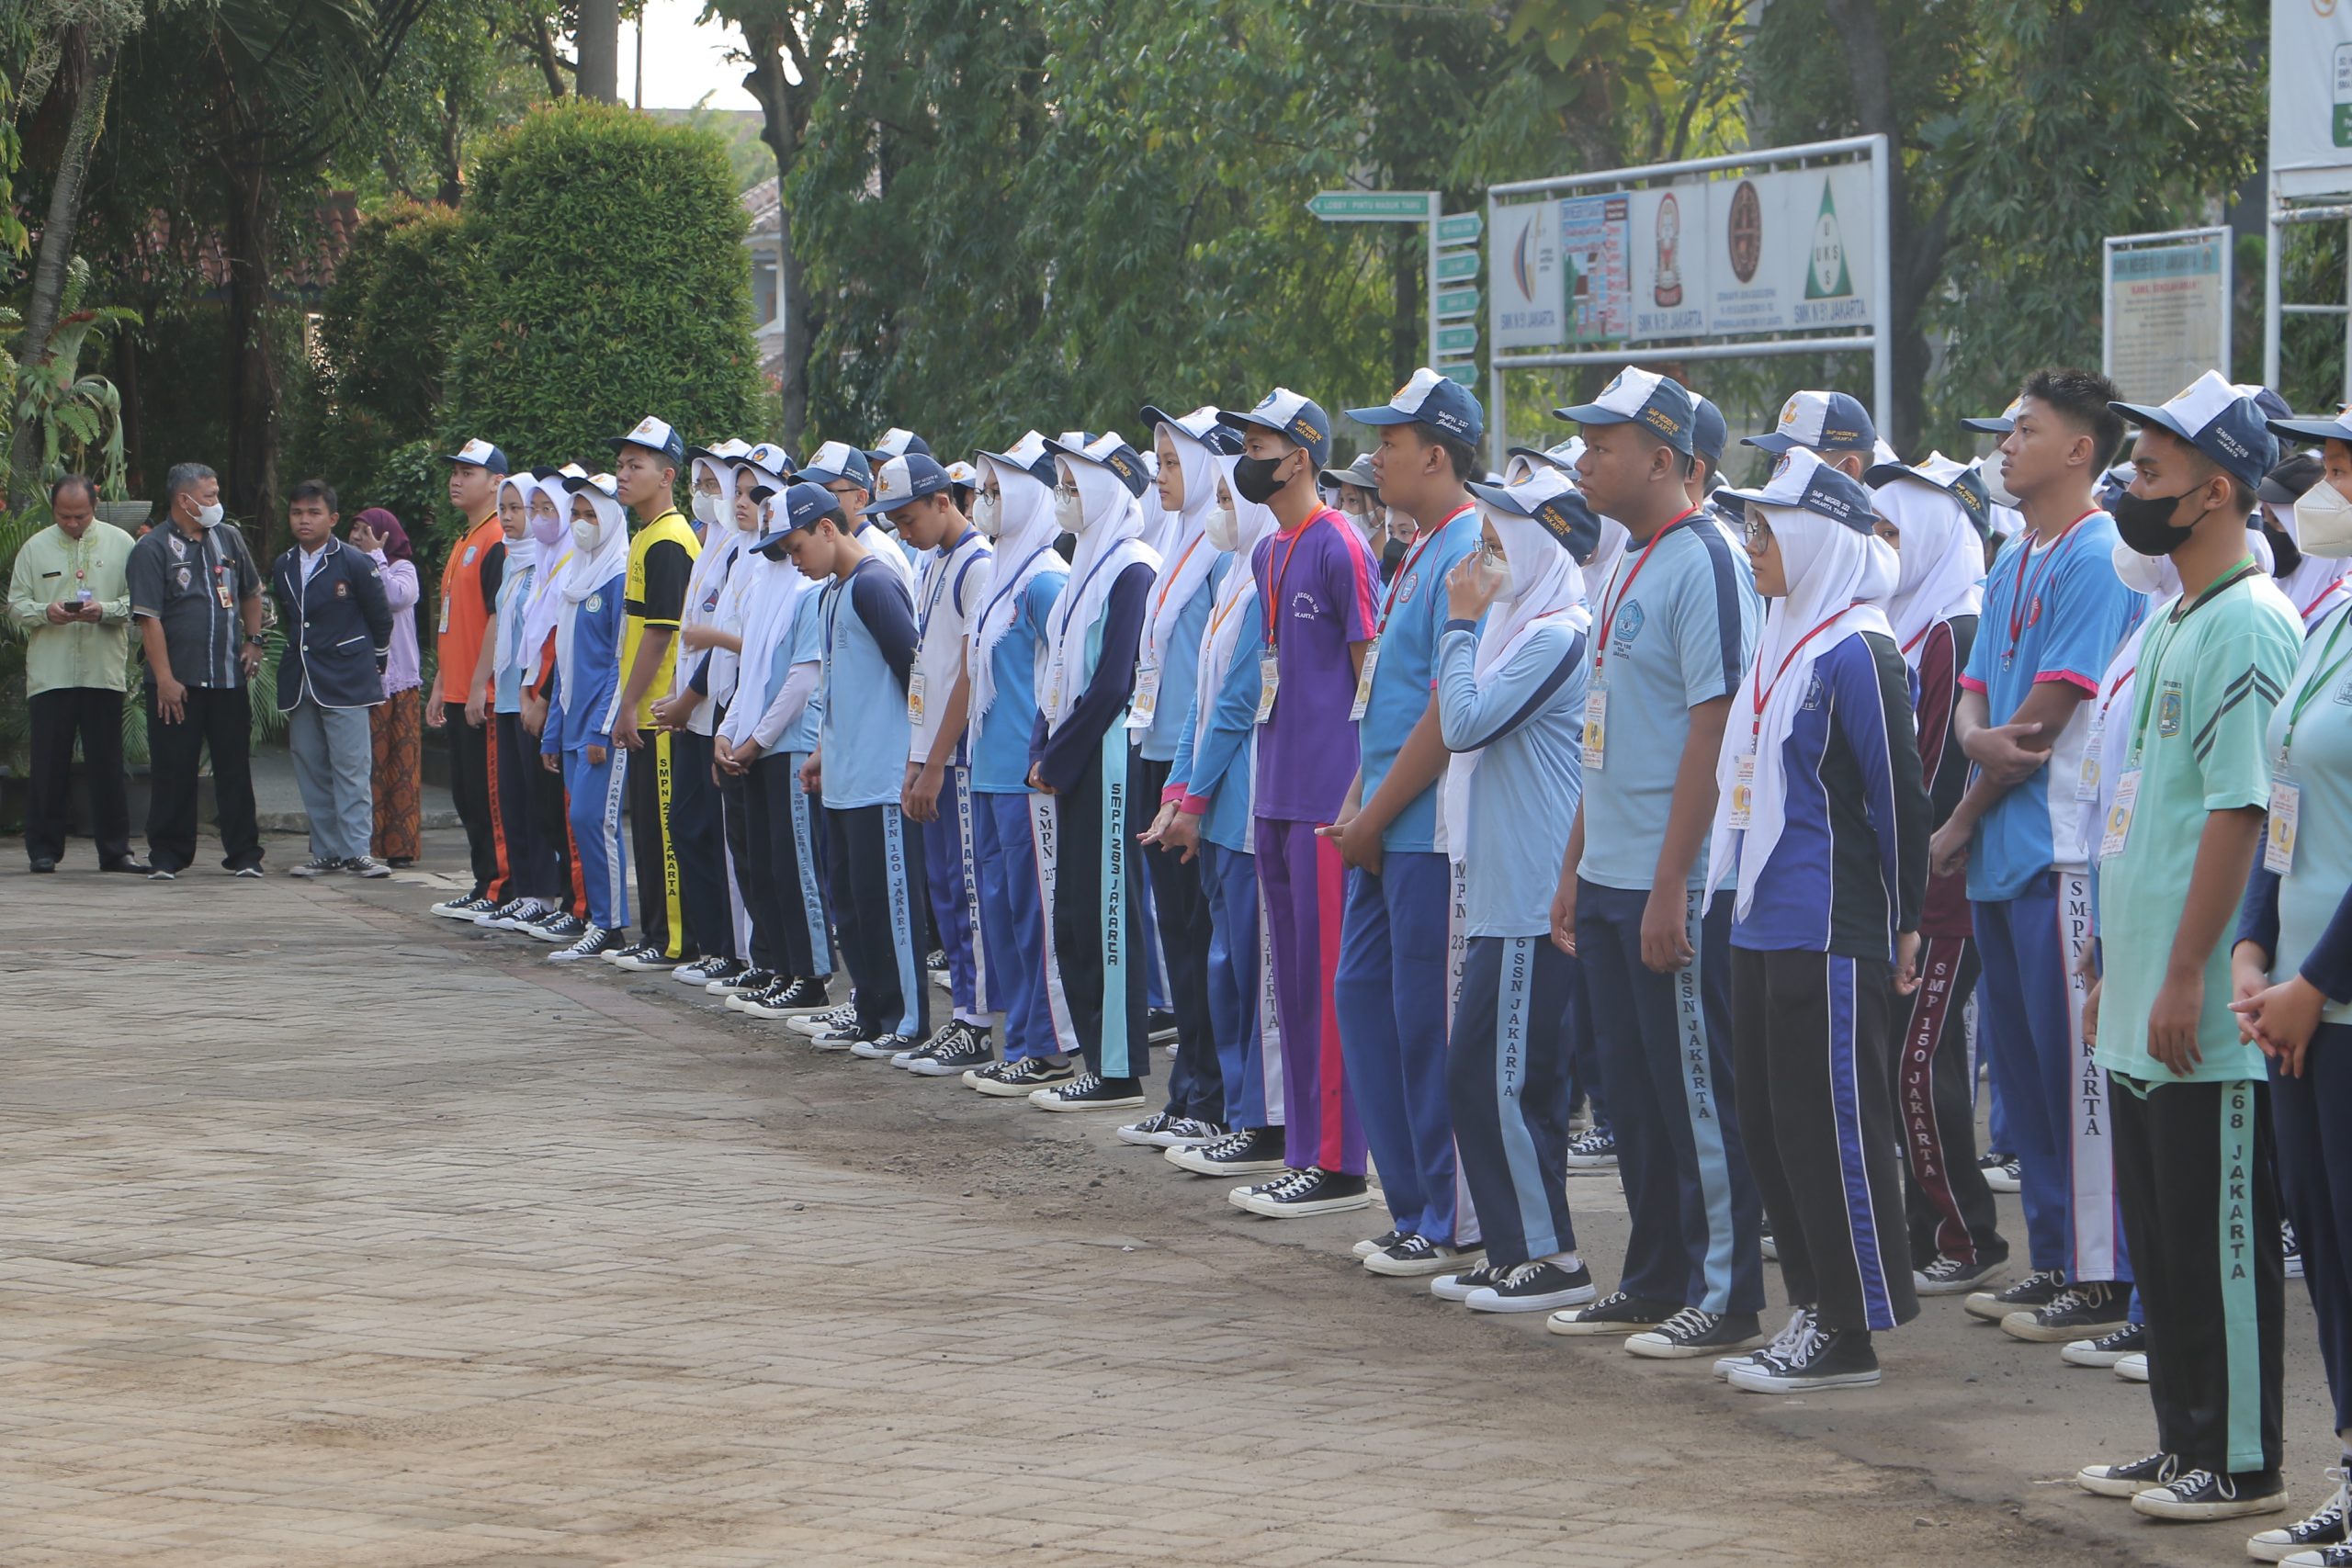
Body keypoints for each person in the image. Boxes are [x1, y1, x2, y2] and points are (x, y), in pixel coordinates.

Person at [2072, 372, 2298, 1522]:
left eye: (2153, 474)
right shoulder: (2175, 616)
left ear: (2216, 492)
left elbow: (2238, 813)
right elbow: (2140, 811)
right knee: (2162, 1244)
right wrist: (2117, 960)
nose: (2132, 489)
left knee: (2220, 1242)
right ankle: (2179, 1441)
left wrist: (2178, 971)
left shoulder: (2250, 623)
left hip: (2202, 1004)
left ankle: (2241, 1458)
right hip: (2146, 988)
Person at [1545, 367, 1768, 1359]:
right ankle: (1651, 1278)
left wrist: (1673, 879)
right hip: (1609, 873)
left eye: (1603, 444)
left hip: (1670, 882)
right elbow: (1610, 730)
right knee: (1632, 1096)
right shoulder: (1628, 559)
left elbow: (1712, 730)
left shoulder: (1706, 559)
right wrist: (1576, 865)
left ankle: (1724, 1293)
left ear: (1665, 459)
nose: (1584, 461)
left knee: (1693, 1097)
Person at [1701, 447, 1928, 1393]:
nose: (1751, 545)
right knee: (1770, 1123)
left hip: (1829, 929)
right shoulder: (1780, 637)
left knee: (1832, 1125)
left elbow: (1898, 799)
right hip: (1759, 921)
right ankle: (1810, 1309)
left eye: (1764, 528)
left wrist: (1906, 920)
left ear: (1812, 538)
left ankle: (1851, 1324)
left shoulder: (1858, 651)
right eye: (1747, 527)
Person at [1930, 368, 2141, 1345]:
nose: (2005, 445)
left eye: (2026, 430)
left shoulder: (2097, 552)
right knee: (2018, 1074)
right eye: (2007, 428)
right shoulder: (2014, 555)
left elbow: (2041, 723)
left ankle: (2103, 1270)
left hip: (2057, 849)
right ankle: (2056, 1253)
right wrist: (1974, 745)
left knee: (2074, 1077)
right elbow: (1977, 696)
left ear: (2078, 451)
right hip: (2004, 849)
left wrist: (1965, 806)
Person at [1329, 367, 1490, 1276]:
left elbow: (1440, 714)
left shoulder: (1473, 551)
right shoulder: (1417, 550)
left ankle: (1448, 1215)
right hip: (1384, 822)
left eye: (1392, 443)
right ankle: (1414, 1200)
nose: (1378, 457)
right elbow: (1381, 699)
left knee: (1424, 1020)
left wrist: (1378, 814)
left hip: (1426, 830)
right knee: (1365, 1001)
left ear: (1437, 454)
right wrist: (1358, 802)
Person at [2232, 400, 2352, 1565]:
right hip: (2299, 998)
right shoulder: (2334, 615)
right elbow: (2288, 804)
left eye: (2344, 462)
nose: (2321, 478)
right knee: (2323, 1242)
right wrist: (2253, 946)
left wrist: (2314, 980)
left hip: (2340, 1000)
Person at [1433, 468, 1596, 1313]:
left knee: (1506, 1076)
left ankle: (1549, 1253)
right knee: (1480, 1072)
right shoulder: (1514, 629)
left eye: (1500, 545)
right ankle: (1510, 1246)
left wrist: (1459, 622)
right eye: (1483, 542)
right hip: (1501, 885)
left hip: (1537, 893)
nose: (1483, 562)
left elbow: (1461, 721)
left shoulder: (1558, 633)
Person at [1219, 388, 1379, 1218]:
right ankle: (1303, 1148)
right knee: (1289, 979)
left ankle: (1341, 1159)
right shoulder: (1267, 555)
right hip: (1274, 787)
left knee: (1327, 978)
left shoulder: (1342, 545)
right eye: (1245, 445)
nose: (1249, 460)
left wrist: (1367, 799)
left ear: (1303, 455)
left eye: (1261, 445)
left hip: (1328, 795)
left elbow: (1370, 678)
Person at [1865, 454, 2009, 1295]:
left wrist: (1911, 872)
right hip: (1915, 886)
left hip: (1943, 887)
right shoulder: (1914, 622)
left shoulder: (1957, 629)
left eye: (1894, 530)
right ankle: (1933, 1229)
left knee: (1920, 1061)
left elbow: (1934, 772)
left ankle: (1967, 1236)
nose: (1883, 546)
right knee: (1907, 1062)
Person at [1159, 456, 1290, 1179]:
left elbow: (1240, 703)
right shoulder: (1233, 581)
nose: (1217, 510)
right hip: (1214, 810)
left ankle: (1260, 1119)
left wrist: (1197, 798)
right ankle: (1241, 1110)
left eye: (1225, 498)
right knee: (1223, 966)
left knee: (1249, 970)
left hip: (1245, 808)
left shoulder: (1258, 589)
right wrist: (1178, 791)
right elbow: (1198, 710)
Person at [1025, 431, 1161, 1110]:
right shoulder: (1083, 565)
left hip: (1104, 759)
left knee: (1108, 914)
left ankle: (1118, 1068)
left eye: (1075, 484)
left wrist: (1056, 756)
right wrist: (1040, 746)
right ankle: (1094, 1055)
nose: (1063, 497)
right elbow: (1057, 670)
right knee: (1075, 912)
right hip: (1072, 756)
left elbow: (1112, 682)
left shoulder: (1132, 566)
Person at [1125, 405, 1242, 1146]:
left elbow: (1222, 673)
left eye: (1174, 462)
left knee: (1203, 938)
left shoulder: (1225, 550)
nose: (1161, 475)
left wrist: (1189, 785)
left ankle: (1214, 1094)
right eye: (1159, 461)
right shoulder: (1174, 540)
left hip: (1194, 762)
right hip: (1156, 752)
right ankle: (1188, 1087)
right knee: (1177, 933)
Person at [786, 479, 931, 1055]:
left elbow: (913, 672)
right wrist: (825, 748)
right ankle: (869, 1007)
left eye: (797, 547)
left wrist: (916, 759)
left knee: (890, 904)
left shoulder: (874, 584)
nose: (794, 562)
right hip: (844, 778)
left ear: (827, 528)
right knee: (852, 903)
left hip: (880, 778)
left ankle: (908, 1019)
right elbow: (843, 684)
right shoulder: (831, 592)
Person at [959, 432, 1084, 1096]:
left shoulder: (1043, 579)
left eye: (998, 490)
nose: (985, 501)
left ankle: (1049, 1043)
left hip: (1025, 776)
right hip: (988, 769)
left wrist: (1049, 752)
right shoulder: (1000, 572)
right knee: (1005, 910)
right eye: (983, 488)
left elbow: (1063, 668)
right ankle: (1023, 1038)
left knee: (1035, 912)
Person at [873, 451, 999, 1073]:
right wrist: (913, 758)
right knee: (944, 890)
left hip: (963, 760)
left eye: (908, 516)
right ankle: (963, 1017)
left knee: (967, 890)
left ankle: (975, 1022)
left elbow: (969, 676)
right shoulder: (930, 563)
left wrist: (936, 759)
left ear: (943, 501)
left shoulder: (977, 564)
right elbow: (928, 667)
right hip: (933, 757)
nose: (902, 529)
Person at [718, 457, 839, 1020]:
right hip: (758, 745)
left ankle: (812, 973)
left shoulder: (805, 589)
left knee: (797, 866)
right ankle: (780, 965)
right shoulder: (766, 582)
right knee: (766, 862)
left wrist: (755, 741)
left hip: (788, 744)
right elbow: (752, 672)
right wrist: (727, 732)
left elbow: (802, 677)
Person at [126, 461, 266, 879]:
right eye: (209, 496)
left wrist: (254, 640)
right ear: (184, 500)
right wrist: (165, 680)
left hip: (227, 678)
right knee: (174, 769)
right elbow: (149, 620)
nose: (216, 503)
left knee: (234, 768)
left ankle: (244, 855)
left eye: (216, 494)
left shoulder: (229, 538)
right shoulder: (151, 550)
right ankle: (167, 855)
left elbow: (251, 592)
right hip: (176, 682)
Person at [655, 438, 760, 990]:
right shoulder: (714, 544)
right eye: (709, 485)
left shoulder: (749, 551)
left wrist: (689, 698)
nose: (712, 496)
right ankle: (720, 945)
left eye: (717, 485)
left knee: (721, 835)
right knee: (691, 827)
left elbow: (725, 640)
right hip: (704, 709)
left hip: (721, 710)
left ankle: (735, 950)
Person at [599, 416, 702, 972]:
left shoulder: (668, 541)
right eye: (620, 464)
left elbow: (662, 634)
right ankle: (656, 931)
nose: (622, 473)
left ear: (667, 475)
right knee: (649, 823)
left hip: (661, 710)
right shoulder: (645, 536)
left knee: (666, 828)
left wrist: (632, 704)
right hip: (645, 706)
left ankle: (677, 940)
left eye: (634, 465)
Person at [9, 473, 142, 874]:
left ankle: (115, 850)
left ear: (94, 508)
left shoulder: (123, 544)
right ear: (54, 511)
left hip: (103, 671)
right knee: (49, 763)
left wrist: (105, 610)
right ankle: (44, 850)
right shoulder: (34, 549)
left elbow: (138, 601)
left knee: (106, 762)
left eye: (80, 516)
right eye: (64, 516)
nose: (72, 524)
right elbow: (16, 605)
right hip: (52, 674)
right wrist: (43, 613)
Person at [269, 479, 394, 878]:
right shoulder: (284, 563)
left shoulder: (355, 562)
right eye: (297, 513)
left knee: (351, 767)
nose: (304, 520)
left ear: (333, 518)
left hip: (346, 677)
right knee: (311, 767)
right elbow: (292, 620)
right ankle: (326, 850)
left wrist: (375, 661)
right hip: (301, 678)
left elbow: (381, 618)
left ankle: (358, 850)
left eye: (313, 512)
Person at [541, 471, 633, 961]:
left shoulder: (619, 573)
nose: (581, 523)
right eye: (575, 513)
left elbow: (623, 659)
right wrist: (552, 735)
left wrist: (603, 726)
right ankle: (598, 918)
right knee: (581, 823)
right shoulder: (575, 573)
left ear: (611, 518)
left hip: (603, 729)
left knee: (594, 820)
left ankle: (611, 924)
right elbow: (564, 660)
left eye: (590, 514)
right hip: (571, 726)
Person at [425, 437, 511, 918]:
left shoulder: (497, 538)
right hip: (458, 690)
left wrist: (480, 684)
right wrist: (442, 681)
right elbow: (456, 619)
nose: (456, 480)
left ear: (497, 482)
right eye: (454, 471)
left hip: (485, 694)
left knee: (488, 799)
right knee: (466, 795)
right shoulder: (465, 539)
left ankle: (502, 888)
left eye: (468, 472)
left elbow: (498, 618)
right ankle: (485, 884)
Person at [477, 474, 564, 928]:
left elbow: (547, 638)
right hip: (509, 696)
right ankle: (526, 889)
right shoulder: (512, 562)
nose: (510, 517)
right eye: (506, 508)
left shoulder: (549, 561)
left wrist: (537, 695)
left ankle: (546, 893)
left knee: (538, 801)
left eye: (520, 509)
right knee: (513, 797)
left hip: (534, 697)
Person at [513, 474, 587, 942]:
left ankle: (575, 901)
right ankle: (563, 898)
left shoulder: (574, 563)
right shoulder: (543, 564)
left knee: (566, 810)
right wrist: (525, 688)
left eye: (549, 509)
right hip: (534, 692)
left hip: (557, 700)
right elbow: (530, 638)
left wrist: (540, 696)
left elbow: (560, 640)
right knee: (542, 805)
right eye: (534, 508)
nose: (541, 518)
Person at [351, 507, 423, 867]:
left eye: (366, 531)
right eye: (355, 531)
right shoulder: (354, 570)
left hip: (403, 681)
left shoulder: (402, 569)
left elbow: (396, 597)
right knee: (370, 763)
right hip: (369, 681)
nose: (357, 538)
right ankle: (368, 844)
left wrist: (376, 556)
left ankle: (401, 845)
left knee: (403, 763)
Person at [2256, 450, 2352, 636]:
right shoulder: (2259, 603)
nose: (2265, 532)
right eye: (2263, 516)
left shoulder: (2341, 620)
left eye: (2277, 519)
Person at [801, 441, 917, 590]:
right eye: (812, 493)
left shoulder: (876, 553)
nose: (815, 503)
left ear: (860, 499)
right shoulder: (834, 549)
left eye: (826, 493)